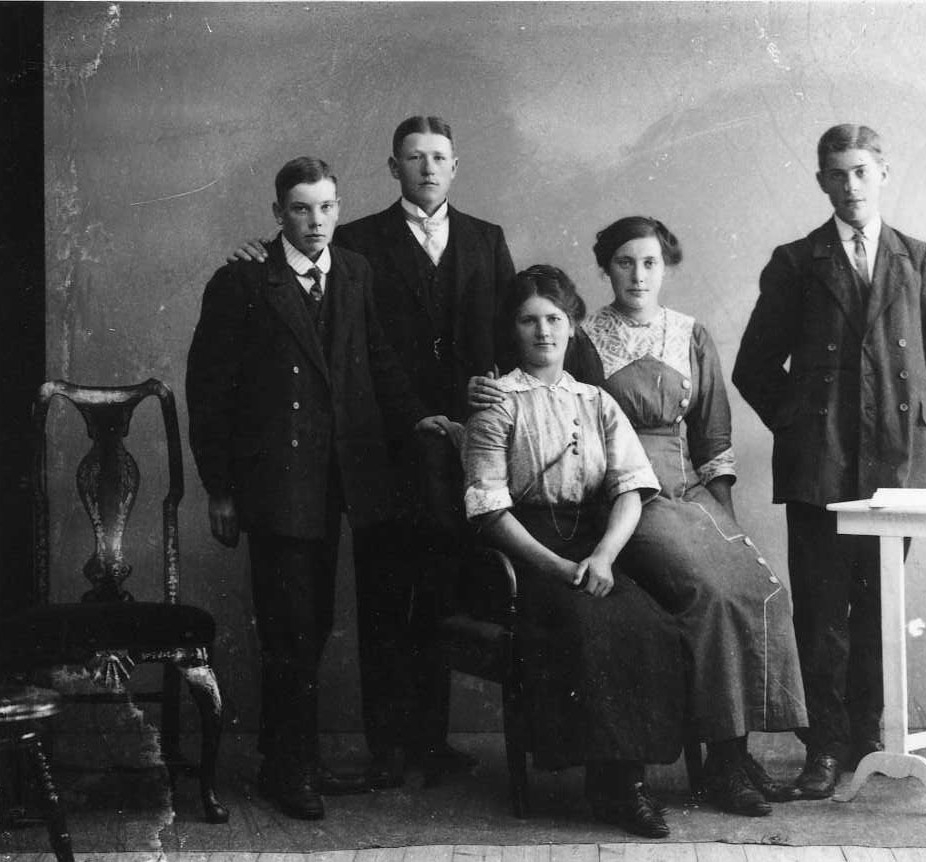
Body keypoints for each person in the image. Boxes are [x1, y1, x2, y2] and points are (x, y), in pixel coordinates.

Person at [229, 116, 515, 788]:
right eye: (414, 158)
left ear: (455, 165)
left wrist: (494, 392)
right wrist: (256, 254)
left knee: (440, 590)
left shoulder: (486, 239)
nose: (427, 168)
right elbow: (324, 309)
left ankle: (430, 742)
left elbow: (509, 331)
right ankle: (387, 745)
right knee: (384, 598)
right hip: (380, 448)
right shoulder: (354, 239)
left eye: (438, 157)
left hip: (462, 442)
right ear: (393, 168)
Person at [186, 156, 434, 820]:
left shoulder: (353, 271)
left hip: (343, 477)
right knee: (290, 627)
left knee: (316, 624)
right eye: (300, 208)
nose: (316, 221)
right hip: (278, 485)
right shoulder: (242, 281)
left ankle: (287, 754)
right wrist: (219, 488)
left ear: (338, 208)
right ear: (278, 213)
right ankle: (289, 770)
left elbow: (376, 357)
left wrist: (418, 416)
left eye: (326, 207)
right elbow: (209, 393)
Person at [732, 124, 926, 799]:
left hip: (897, 467)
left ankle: (870, 740)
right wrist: (805, 425)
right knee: (822, 613)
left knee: (881, 608)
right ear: (821, 182)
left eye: (862, 171)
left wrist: (902, 423)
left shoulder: (916, 258)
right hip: (821, 467)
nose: (851, 185)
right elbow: (754, 366)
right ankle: (825, 749)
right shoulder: (796, 262)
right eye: (837, 174)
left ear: (883, 173)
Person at [567, 216, 807, 816]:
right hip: (630, 497)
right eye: (625, 263)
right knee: (711, 592)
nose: (638, 275)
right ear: (606, 268)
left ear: (666, 267)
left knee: (760, 586)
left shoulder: (690, 333)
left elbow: (713, 436)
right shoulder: (584, 339)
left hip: (691, 493)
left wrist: (726, 520)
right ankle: (722, 767)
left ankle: (734, 754)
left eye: (650, 263)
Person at [462, 264, 687, 839]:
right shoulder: (496, 403)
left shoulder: (596, 401)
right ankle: (611, 787)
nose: (543, 332)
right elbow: (489, 511)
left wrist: (604, 557)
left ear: (572, 325)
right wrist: (560, 567)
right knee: (586, 623)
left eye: (555, 319)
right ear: (512, 329)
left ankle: (625, 781)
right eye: (529, 320)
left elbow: (631, 488)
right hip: (525, 554)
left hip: (592, 545)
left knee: (650, 623)